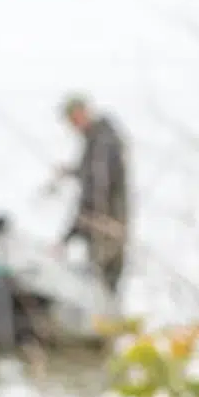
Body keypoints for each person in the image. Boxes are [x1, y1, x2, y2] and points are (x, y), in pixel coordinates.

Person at [48, 94, 129, 294]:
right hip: (106, 224)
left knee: (102, 285)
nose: (73, 125)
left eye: (74, 118)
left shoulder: (102, 141)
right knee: (102, 284)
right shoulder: (98, 140)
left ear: (84, 112)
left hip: (106, 225)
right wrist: (71, 171)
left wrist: (68, 235)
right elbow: (92, 175)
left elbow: (98, 186)